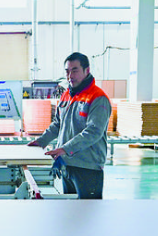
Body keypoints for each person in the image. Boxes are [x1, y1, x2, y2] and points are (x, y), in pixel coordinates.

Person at [28, 52, 111, 199]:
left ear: (87, 70)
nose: (70, 76)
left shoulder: (98, 98)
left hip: (87, 167)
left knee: (89, 209)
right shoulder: (66, 95)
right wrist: (41, 141)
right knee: (69, 207)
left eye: (75, 70)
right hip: (66, 163)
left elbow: (93, 132)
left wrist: (65, 149)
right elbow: (57, 124)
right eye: (67, 71)